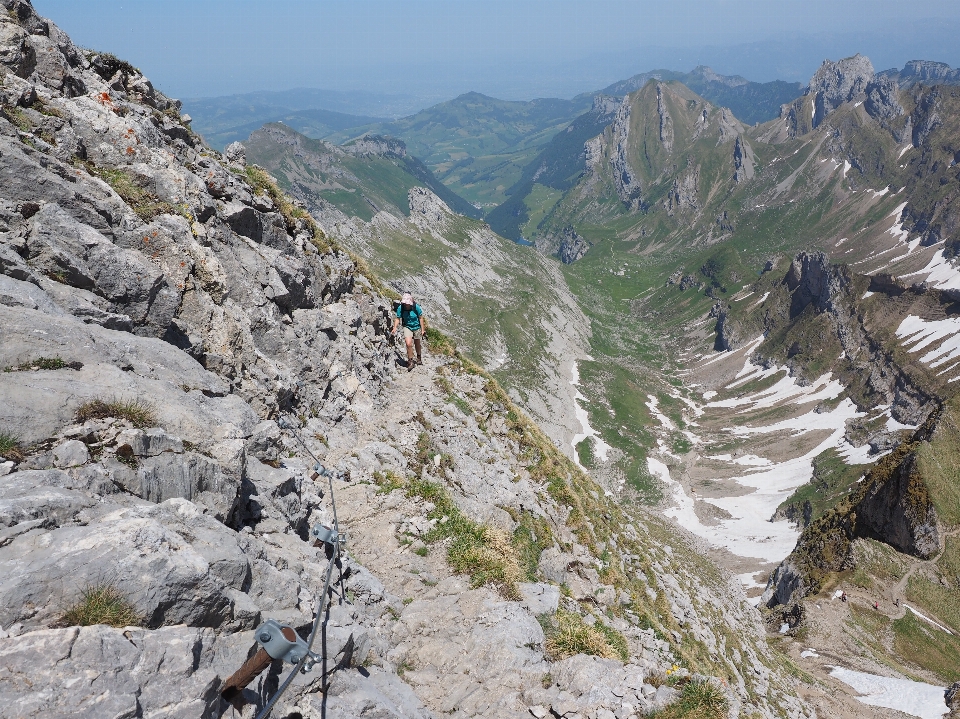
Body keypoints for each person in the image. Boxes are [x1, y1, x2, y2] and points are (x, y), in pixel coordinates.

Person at [392, 293, 428, 371]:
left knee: (417, 343)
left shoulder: (416, 307)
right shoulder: (401, 308)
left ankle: (419, 358)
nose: (406, 305)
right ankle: (410, 361)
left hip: (417, 327)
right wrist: (395, 327)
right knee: (408, 344)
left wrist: (422, 330)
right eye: (405, 303)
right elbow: (398, 318)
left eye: (407, 303)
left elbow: (421, 318)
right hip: (407, 326)